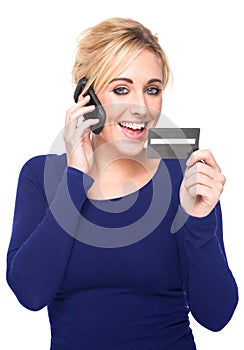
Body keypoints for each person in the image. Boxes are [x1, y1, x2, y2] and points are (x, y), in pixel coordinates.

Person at [6, 17, 238, 350]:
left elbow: (216, 317)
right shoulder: (42, 175)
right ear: (86, 98)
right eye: (121, 89)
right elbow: (29, 292)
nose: (141, 108)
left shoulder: (182, 171)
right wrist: (75, 176)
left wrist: (199, 220)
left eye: (152, 90)